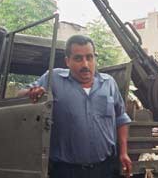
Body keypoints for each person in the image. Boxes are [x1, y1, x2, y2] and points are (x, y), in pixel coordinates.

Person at [19, 35, 132, 178]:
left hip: (105, 169)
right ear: (68, 61)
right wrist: (32, 92)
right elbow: (21, 94)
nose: (85, 64)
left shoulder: (108, 83)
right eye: (78, 58)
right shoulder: (53, 79)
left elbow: (121, 118)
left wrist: (123, 152)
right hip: (66, 171)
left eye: (89, 57)